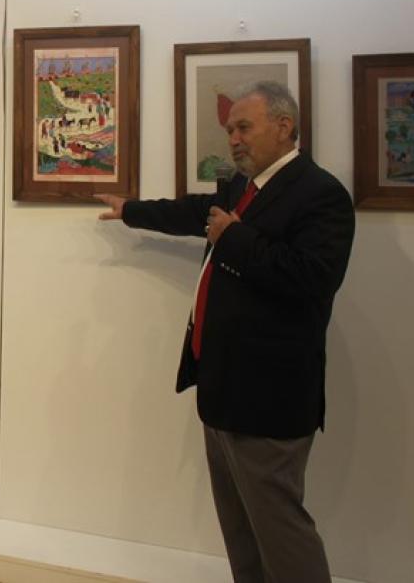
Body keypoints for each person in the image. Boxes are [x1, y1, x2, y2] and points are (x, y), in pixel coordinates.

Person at [96, 81, 355, 583]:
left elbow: (314, 278)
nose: (233, 139)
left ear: (284, 126)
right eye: (230, 130)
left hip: (269, 398)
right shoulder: (244, 186)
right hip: (222, 387)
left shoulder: (320, 194)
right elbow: (197, 213)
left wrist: (234, 237)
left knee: (281, 531)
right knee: (241, 531)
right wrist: (131, 210)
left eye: (243, 128)